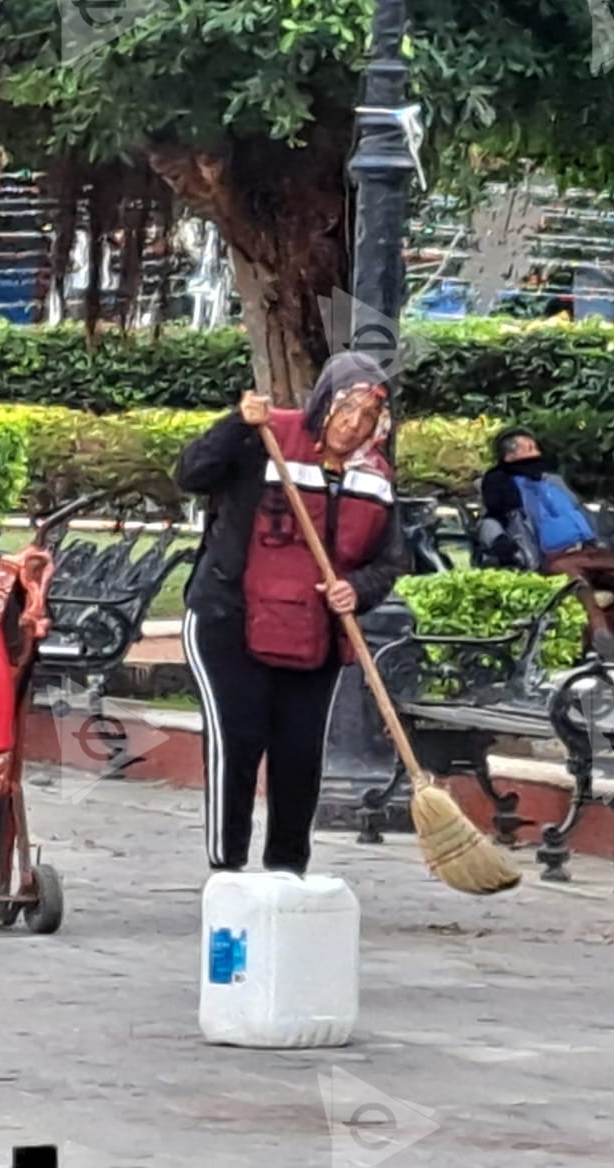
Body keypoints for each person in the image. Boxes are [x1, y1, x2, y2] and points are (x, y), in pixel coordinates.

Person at [173, 353, 408, 875]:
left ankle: (287, 870)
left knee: (300, 755)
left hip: (315, 634)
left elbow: (390, 560)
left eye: (367, 418)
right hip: (230, 620)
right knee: (238, 742)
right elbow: (192, 473)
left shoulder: (375, 476)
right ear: (324, 402)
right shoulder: (268, 437)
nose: (353, 425)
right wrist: (237, 424)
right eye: (346, 410)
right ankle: (227, 867)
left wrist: (357, 589)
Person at [480, 427, 614, 660]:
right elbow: (489, 520)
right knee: (576, 584)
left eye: (536, 447)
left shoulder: (553, 481)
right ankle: (598, 629)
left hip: (589, 549)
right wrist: (501, 542)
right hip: (554, 557)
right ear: (509, 456)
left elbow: (578, 509)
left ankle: (609, 637)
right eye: (529, 448)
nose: (537, 453)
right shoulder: (501, 486)